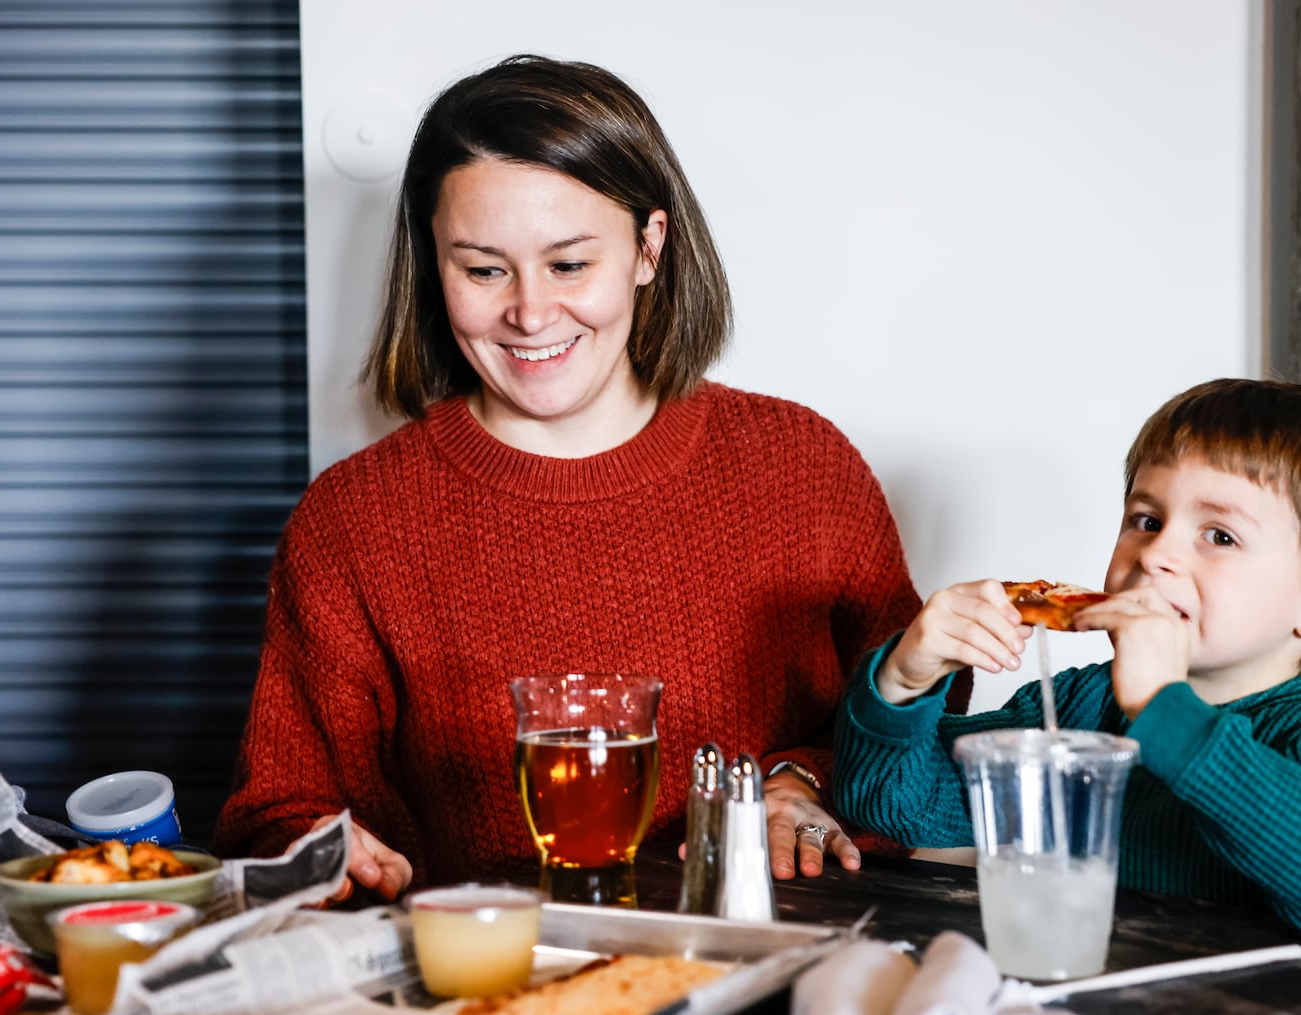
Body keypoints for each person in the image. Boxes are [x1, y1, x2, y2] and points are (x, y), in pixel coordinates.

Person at [213, 54, 926, 901]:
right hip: (500, 1003)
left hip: (783, 982)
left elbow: (923, 742)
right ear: (433, 264)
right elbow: (280, 810)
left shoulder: (804, 468)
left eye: (569, 263)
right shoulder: (354, 520)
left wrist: (794, 784)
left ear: (648, 248)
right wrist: (325, 855)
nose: (530, 311)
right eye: (483, 269)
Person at [834, 378, 1301, 952]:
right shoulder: (1079, 707)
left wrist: (1165, 712)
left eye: (1220, 536)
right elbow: (894, 804)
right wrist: (904, 684)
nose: (1156, 554)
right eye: (1146, 520)